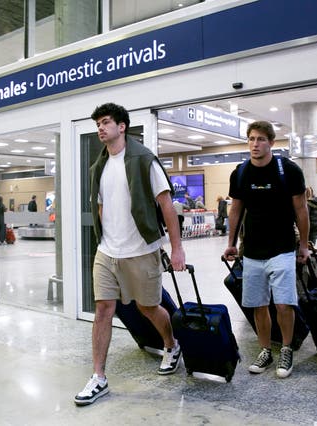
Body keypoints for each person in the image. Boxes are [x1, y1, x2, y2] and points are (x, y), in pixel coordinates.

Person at [74, 103, 186, 406]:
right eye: (98, 123)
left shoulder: (143, 160)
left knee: (148, 307)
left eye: (106, 122)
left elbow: (166, 206)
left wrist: (176, 248)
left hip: (141, 250)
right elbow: (99, 205)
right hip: (107, 251)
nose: (101, 128)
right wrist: (103, 239)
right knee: (103, 310)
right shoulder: (98, 166)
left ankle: (171, 344)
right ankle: (99, 376)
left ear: (122, 126)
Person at [223, 120, 309, 379]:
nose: (255, 144)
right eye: (251, 139)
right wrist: (230, 243)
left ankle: (285, 348)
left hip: (282, 248)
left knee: (284, 304)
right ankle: (264, 350)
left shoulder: (289, 170)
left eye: (260, 139)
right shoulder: (240, 173)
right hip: (252, 251)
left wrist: (303, 245)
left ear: (271, 143)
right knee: (258, 305)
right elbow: (236, 209)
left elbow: (301, 209)